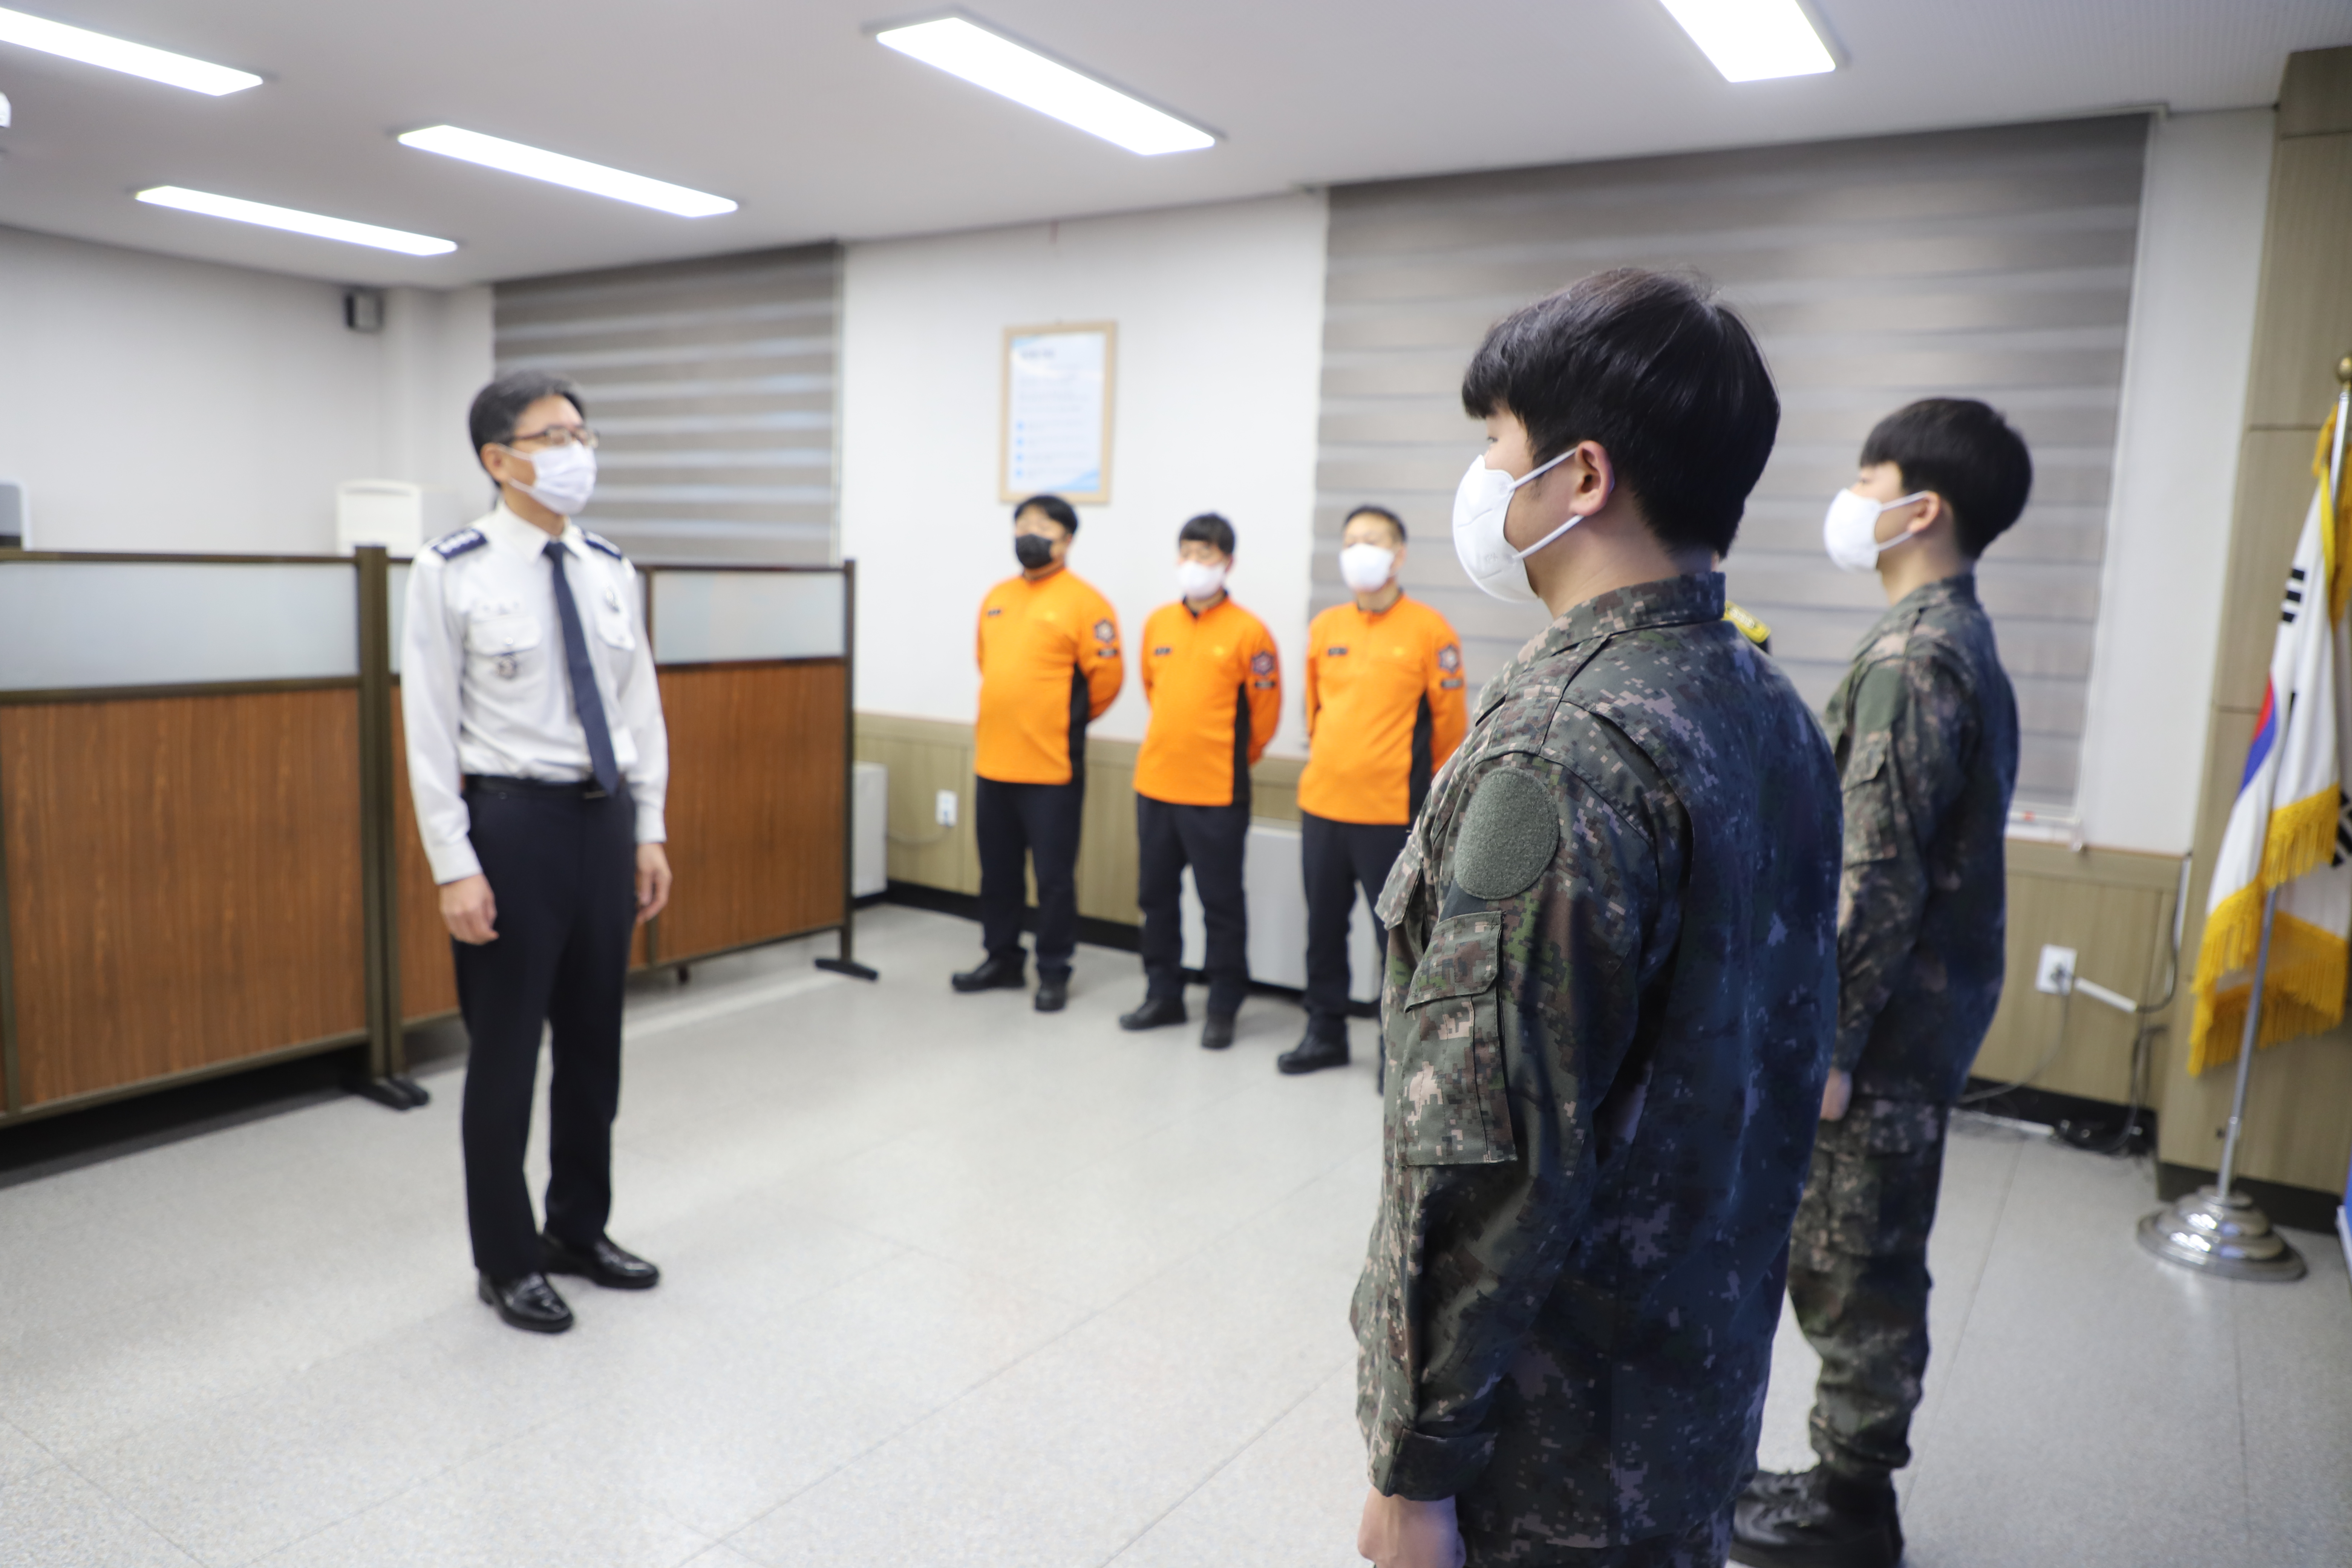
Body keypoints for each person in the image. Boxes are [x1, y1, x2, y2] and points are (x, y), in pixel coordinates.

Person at [1351, 268, 1841, 1568]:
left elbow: (1488, 1152)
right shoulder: (1762, 702)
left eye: (1494, 445)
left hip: (1552, 1443)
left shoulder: (1565, 749)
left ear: (1580, 477)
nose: (1480, 478)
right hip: (1693, 1388)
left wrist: (1417, 1466)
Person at [1731, 400, 2026, 1568]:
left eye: (1868, 482)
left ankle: (1852, 1508)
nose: (1850, 501)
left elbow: (1878, 875)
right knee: (1860, 1251)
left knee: (1857, 1263)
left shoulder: (1916, 657)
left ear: (1923, 509)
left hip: (1885, 1030)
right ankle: (1843, 1479)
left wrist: (1831, 1046)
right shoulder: (1952, 636)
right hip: (1915, 1016)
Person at [402, 371, 673, 1335]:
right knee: (508, 1057)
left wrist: (648, 827)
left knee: (595, 1049)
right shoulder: (451, 569)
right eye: (553, 436)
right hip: (512, 827)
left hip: (604, 821)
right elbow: (427, 729)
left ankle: (577, 1231)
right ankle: (507, 1260)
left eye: (582, 433)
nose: (577, 451)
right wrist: (454, 864)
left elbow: (640, 706)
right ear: (499, 458)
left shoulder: (609, 565)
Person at [1278, 505, 1467, 1076]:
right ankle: (1324, 1032)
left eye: (1372, 540)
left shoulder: (1430, 630)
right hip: (1322, 805)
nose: (1359, 550)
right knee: (1323, 929)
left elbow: (1450, 729)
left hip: (1392, 815)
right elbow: (1314, 711)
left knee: (1399, 941)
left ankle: (1398, 1052)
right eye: (1351, 541)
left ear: (1398, 554)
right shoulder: (1325, 628)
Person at [953, 495, 1122, 1013]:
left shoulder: (1086, 603)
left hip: (1051, 768)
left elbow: (1106, 682)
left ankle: (1053, 970)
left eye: (1043, 526)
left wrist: (1060, 722)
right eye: (1022, 523)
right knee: (997, 875)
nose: (1030, 532)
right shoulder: (997, 597)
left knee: (1053, 880)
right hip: (994, 763)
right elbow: (988, 663)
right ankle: (1002, 959)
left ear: (1067, 540)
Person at [1120, 513, 1282, 1050]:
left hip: (1217, 793)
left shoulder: (1250, 632)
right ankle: (1162, 994)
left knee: (1221, 905)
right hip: (1156, 785)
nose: (1194, 564)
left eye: (1205, 554)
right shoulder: (1158, 624)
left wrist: (1227, 759)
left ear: (1227, 562)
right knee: (1155, 898)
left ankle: (1222, 1006)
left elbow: (1264, 718)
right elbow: (1153, 690)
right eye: (1187, 553)